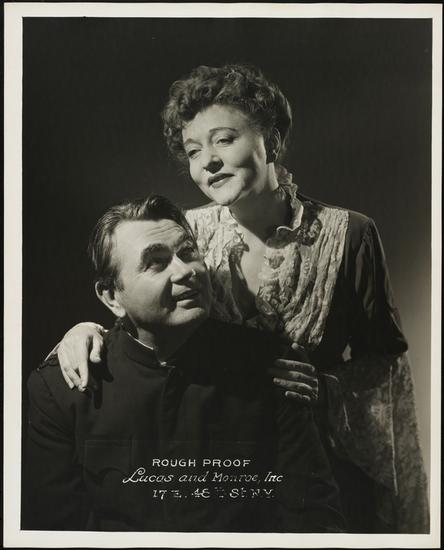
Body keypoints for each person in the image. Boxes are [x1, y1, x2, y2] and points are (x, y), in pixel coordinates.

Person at [50, 64, 428, 533]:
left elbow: (386, 372)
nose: (207, 162)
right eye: (193, 151)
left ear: (272, 140)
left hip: (318, 467)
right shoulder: (184, 234)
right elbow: (142, 318)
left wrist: (324, 388)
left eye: (224, 140)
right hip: (216, 463)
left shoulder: (350, 234)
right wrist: (85, 330)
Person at [23, 195, 344, 532]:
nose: (185, 271)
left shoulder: (273, 368)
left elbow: (313, 517)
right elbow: (55, 528)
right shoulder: (61, 388)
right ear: (112, 296)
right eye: (156, 262)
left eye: (188, 252)